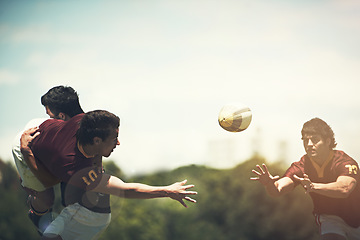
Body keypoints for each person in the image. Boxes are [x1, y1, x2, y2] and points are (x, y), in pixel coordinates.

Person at [20, 109, 197, 240]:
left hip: (89, 212)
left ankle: (40, 215)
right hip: (84, 217)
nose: (118, 143)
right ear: (96, 140)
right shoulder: (77, 169)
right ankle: (39, 215)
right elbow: (126, 190)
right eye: (114, 138)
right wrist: (167, 191)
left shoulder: (83, 121)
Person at [251, 118, 360, 240]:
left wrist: (313, 186)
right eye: (305, 140)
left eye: (314, 140)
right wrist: (269, 184)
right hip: (331, 219)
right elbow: (277, 190)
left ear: (328, 141)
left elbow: (344, 189)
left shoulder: (344, 161)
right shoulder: (301, 166)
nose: (308, 144)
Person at [12, 86, 85, 234]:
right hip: (26, 150)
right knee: (47, 198)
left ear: (62, 116)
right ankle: (37, 214)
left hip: (54, 151)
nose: (49, 120)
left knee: (73, 197)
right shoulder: (44, 134)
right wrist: (26, 154)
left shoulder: (89, 126)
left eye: (50, 116)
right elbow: (49, 181)